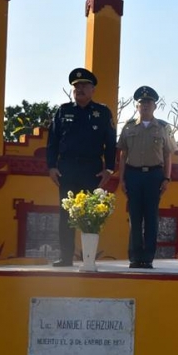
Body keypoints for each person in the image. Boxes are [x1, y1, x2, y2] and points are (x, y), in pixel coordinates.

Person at [46, 68, 116, 267]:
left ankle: (88, 258)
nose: (79, 89)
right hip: (67, 169)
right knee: (65, 214)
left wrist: (109, 169)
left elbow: (111, 143)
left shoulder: (102, 112)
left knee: (91, 215)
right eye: (76, 86)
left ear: (93, 89)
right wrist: (51, 166)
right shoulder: (63, 111)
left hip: (92, 169)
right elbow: (52, 141)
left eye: (84, 86)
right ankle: (66, 257)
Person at [117, 86, 177, 269]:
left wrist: (166, 179)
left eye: (149, 103)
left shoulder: (163, 128)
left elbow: (168, 155)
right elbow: (122, 154)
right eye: (142, 103)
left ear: (155, 106)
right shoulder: (128, 127)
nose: (145, 106)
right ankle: (135, 257)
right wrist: (121, 179)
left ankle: (148, 257)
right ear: (137, 106)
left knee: (151, 217)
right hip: (133, 175)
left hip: (154, 176)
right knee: (135, 217)